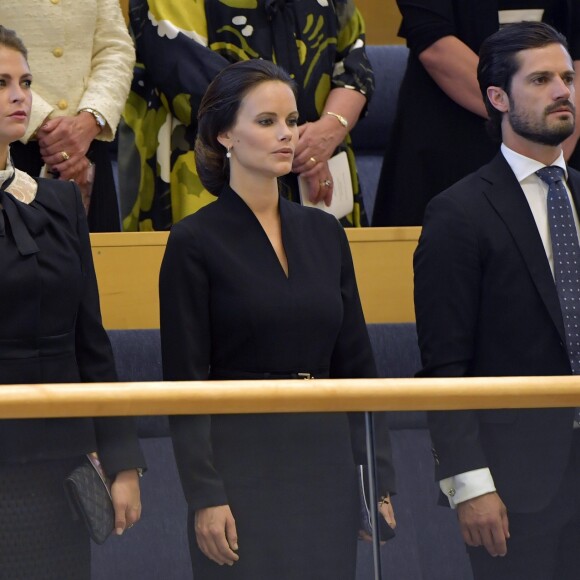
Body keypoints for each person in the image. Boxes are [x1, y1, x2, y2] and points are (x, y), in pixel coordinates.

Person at [159, 59, 396, 579]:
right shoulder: (193, 242)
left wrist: (375, 481)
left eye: (291, 120)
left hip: (327, 465)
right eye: (266, 122)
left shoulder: (324, 233)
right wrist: (205, 494)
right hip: (241, 469)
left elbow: (357, 363)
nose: (287, 134)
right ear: (225, 134)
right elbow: (185, 380)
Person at [414, 21, 580, 579]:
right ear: (498, 97)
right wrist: (469, 483)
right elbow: (444, 365)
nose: (562, 90)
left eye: (567, 76)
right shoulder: (457, 214)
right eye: (541, 80)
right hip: (516, 485)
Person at [0, 26, 145, 578]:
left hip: (59, 465)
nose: (21, 96)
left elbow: (92, 340)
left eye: (26, 82)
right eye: (2, 83)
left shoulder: (58, 200)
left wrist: (123, 459)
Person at [120, 0, 374, 230]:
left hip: (320, 163)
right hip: (211, 165)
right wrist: (290, 139)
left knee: (328, 273)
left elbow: (354, 62)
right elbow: (189, 70)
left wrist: (329, 129)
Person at [372, 0, 580, 226]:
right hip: (452, 142)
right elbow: (435, 43)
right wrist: (528, 115)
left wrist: (558, 136)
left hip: (562, 144)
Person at [0, 0, 136, 232]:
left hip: (87, 146)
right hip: (12, 147)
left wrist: (92, 117)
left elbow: (115, 48)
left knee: (98, 261)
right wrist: (42, 121)